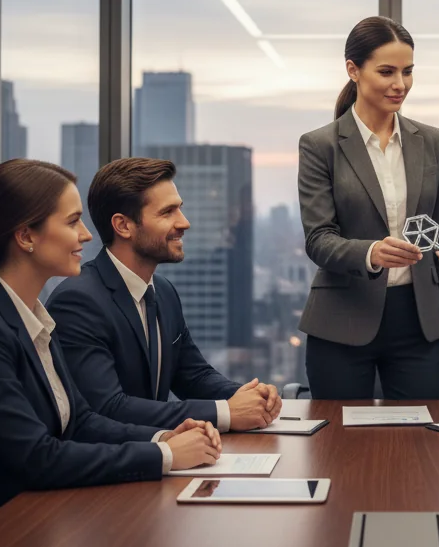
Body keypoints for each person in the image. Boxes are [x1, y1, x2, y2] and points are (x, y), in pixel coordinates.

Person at [0, 160, 220, 546]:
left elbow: (81, 422)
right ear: (26, 236)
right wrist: (166, 458)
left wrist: (164, 437)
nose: (86, 235)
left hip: (31, 520)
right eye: (72, 222)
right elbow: (38, 457)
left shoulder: (32, 317)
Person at [297, 16, 439, 399]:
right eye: (387, 71)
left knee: (418, 447)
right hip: (342, 320)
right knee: (338, 449)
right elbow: (318, 240)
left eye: (408, 71)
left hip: (419, 322)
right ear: (353, 70)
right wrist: (371, 252)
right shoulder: (319, 145)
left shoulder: (430, 140)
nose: (400, 84)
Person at [49, 157, 281, 431]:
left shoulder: (164, 292)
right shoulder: (78, 302)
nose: (184, 223)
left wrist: (248, 395)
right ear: (123, 226)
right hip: (117, 466)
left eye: (179, 209)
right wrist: (226, 412)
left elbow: (193, 375)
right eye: (167, 212)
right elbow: (109, 408)